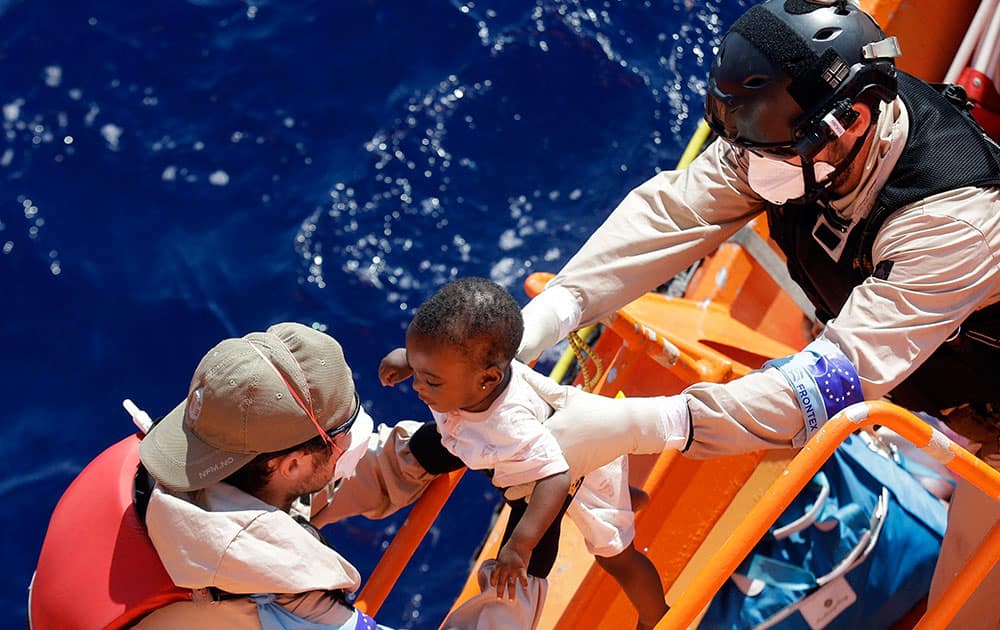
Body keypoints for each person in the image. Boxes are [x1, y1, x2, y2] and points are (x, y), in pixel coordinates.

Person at [513, 0, 1000, 627]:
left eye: (767, 156)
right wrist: (553, 313)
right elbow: (675, 211)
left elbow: (833, 384)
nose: (749, 169)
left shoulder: (954, 220)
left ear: (850, 121)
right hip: (947, 382)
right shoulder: (786, 135)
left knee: (964, 601)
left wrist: (635, 423)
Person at [378, 277, 668, 630]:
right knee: (597, 493)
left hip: (575, 471)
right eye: (419, 372)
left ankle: (657, 617)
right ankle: (623, 497)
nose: (419, 386)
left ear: (487, 379)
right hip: (541, 460)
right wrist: (409, 360)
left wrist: (519, 547)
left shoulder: (511, 424)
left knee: (617, 557)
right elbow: (440, 354)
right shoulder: (477, 379)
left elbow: (557, 477)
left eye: (430, 379)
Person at [132, 322, 441, 628]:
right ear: (292, 465)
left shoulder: (207, 467)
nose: (352, 442)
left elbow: (313, 481)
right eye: (342, 433)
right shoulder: (283, 606)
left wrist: (424, 450)